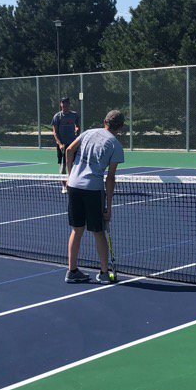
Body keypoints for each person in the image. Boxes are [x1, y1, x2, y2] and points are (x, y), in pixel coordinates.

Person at [63, 109, 125, 284]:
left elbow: (69, 150)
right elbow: (110, 178)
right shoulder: (116, 146)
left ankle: (72, 271)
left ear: (104, 121)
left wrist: (70, 175)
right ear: (120, 127)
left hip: (74, 186)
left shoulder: (88, 133)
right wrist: (109, 207)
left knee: (76, 229)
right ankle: (104, 273)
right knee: (98, 232)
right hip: (93, 189)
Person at [51, 97, 80, 193]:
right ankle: (64, 186)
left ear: (69, 105)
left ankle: (72, 183)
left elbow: (77, 126)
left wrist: (77, 130)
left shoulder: (74, 115)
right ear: (61, 105)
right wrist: (59, 144)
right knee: (63, 166)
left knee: (73, 164)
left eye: (66, 105)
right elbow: (55, 132)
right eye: (63, 105)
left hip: (72, 144)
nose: (65, 107)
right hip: (62, 145)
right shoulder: (57, 117)